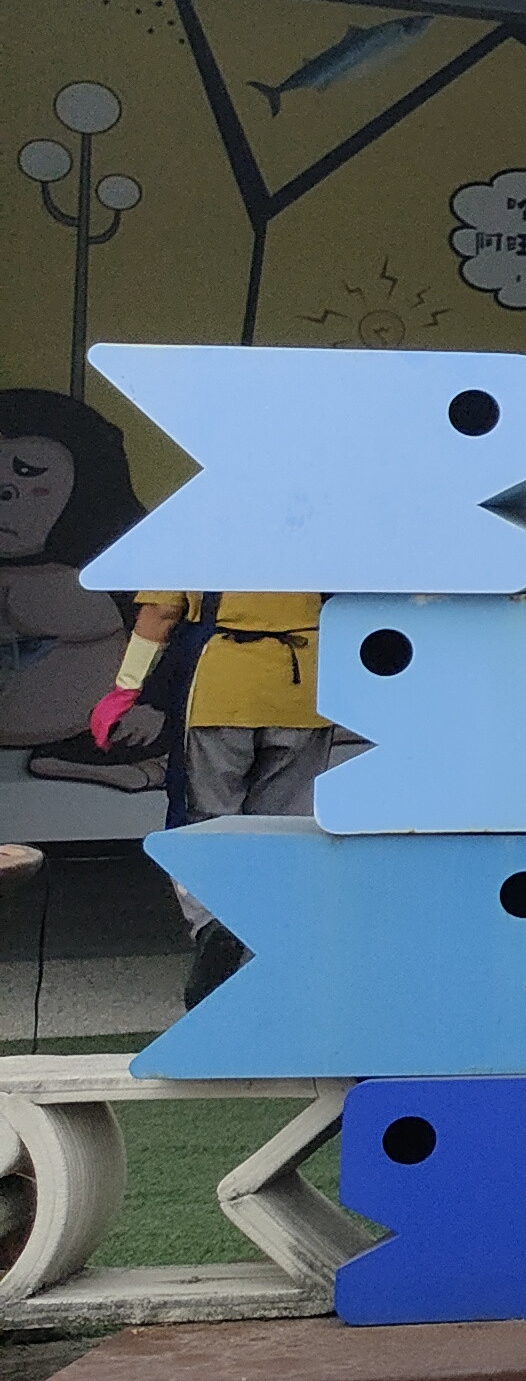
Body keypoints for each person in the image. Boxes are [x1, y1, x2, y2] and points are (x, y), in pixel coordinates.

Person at [90, 589, 333, 1002]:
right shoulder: (315, 543)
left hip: (222, 689)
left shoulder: (198, 541)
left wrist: (125, 689)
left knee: (206, 826)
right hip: (306, 690)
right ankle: (264, 962)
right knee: (284, 835)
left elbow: (161, 612)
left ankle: (212, 925)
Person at [2, 389, 152, 793]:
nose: (5, 492)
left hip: (87, 733)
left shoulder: (123, 568)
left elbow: (162, 634)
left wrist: (151, 704)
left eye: (27, 472)